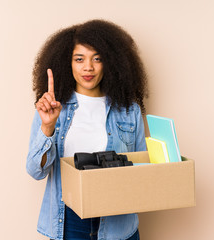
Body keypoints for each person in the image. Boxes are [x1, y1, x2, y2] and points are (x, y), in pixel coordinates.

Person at [26, 19, 148, 240]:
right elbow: (36, 171)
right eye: (79, 59)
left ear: (110, 62)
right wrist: (47, 127)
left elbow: (141, 170)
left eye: (97, 58)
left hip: (117, 223)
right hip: (69, 222)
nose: (88, 67)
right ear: (68, 63)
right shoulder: (52, 108)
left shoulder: (129, 111)